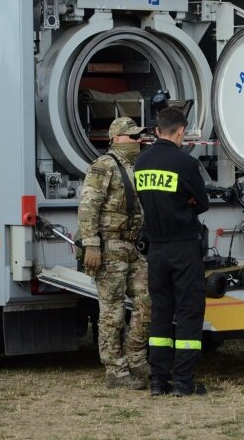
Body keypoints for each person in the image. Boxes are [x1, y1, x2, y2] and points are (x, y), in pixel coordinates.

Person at [134, 107, 210, 397]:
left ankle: (158, 382)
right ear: (180, 132)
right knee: (189, 313)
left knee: (161, 315)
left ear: (156, 131)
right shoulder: (185, 163)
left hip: (156, 250)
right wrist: (185, 203)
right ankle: (183, 383)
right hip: (183, 247)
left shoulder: (141, 162)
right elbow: (201, 203)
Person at [77, 116, 151, 390]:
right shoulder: (103, 166)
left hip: (132, 246)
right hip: (109, 247)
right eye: (132, 136)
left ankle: (137, 361)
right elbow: (88, 207)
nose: (137, 141)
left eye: (138, 136)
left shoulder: (136, 166)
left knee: (146, 303)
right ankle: (115, 370)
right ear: (116, 138)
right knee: (113, 312)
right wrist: (92, 245)